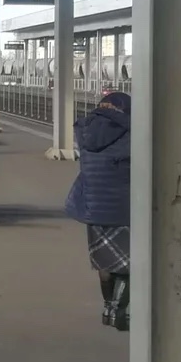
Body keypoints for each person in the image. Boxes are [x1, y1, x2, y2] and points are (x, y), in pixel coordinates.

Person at [63, 90, 131, 330]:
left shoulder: (86, 131)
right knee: (126, 264)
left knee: (104, 263)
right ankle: (118, 313)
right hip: (123, 208)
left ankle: (108, 309)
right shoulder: (131, 134)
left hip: (93, 207)